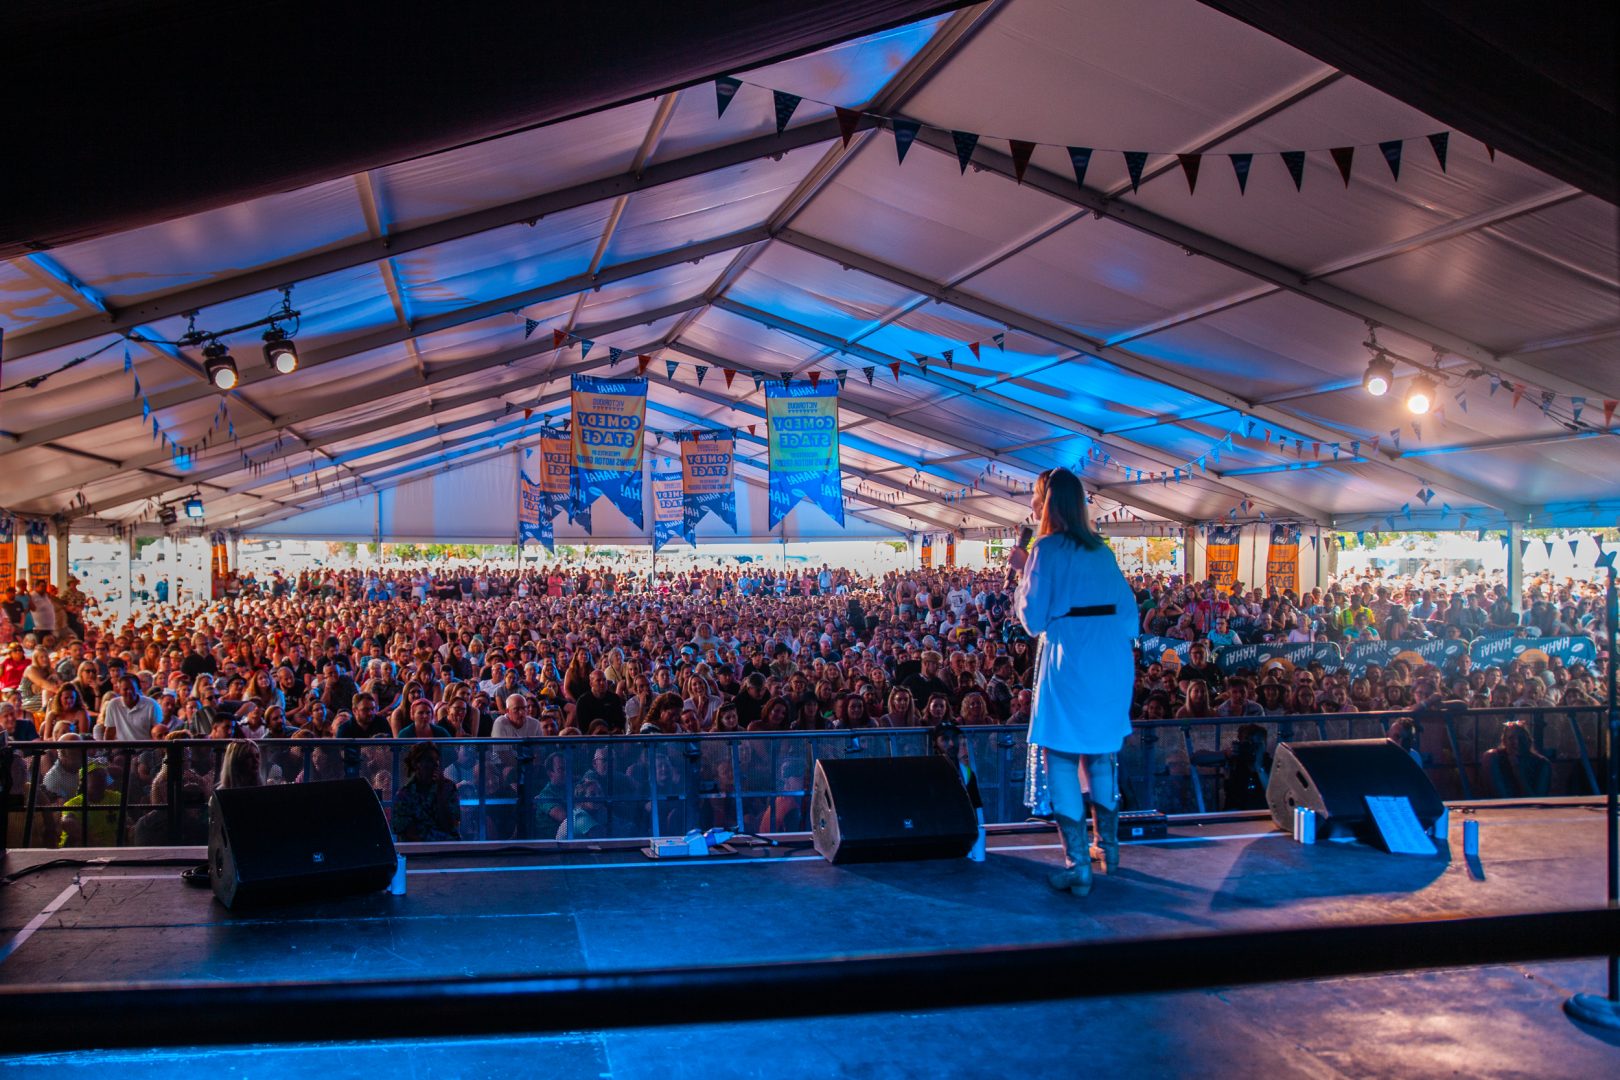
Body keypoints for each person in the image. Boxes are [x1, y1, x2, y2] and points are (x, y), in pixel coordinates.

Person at [1009, 468, 1139, 896]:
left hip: (1073, 656)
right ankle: (1110, 851)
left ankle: (1077, 865)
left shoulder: (1046, 548)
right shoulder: (1101, 549)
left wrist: (1022, 570)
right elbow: (1127, 611)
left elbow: (1032, 619)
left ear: (1046, 501)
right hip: (1112, 658)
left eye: (1035, 496)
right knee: (1099, 755)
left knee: (1061, 757)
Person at [393, 742, 461, 842]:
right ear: (417, 764)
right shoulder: (404, 795)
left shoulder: (448, 787)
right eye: (429, 760)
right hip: (418, 851)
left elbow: (451, 826)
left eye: (437, 760)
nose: (435, 765)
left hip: (447, 847)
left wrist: (440, 793)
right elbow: (405, 832)